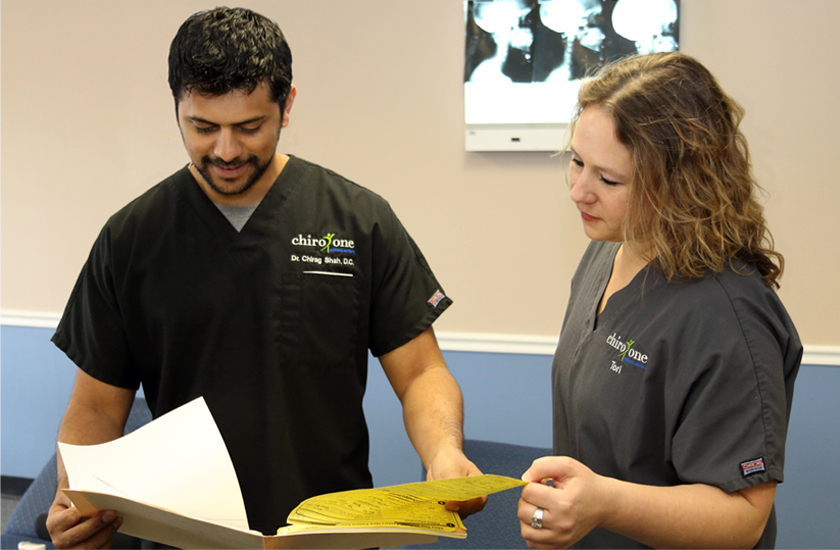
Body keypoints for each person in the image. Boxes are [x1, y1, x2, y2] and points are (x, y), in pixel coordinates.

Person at [46, 7, 483, 548]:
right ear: (177, 108)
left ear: (287, 105)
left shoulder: (358, 220)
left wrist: (443, 451)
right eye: (202, 127)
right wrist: (75, 496)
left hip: (329, 532)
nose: (226, 150)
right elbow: (95, 405)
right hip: (180, 533)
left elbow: (420, 372)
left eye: (249, 127)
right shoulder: (131, 238)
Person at [517, 52, 801, 549]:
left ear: (678, 184)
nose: (579, 191)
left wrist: (604, 503)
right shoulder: (607, 254)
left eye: (608, 180)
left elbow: (742, 519)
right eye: (577, 162)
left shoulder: (730, 316)